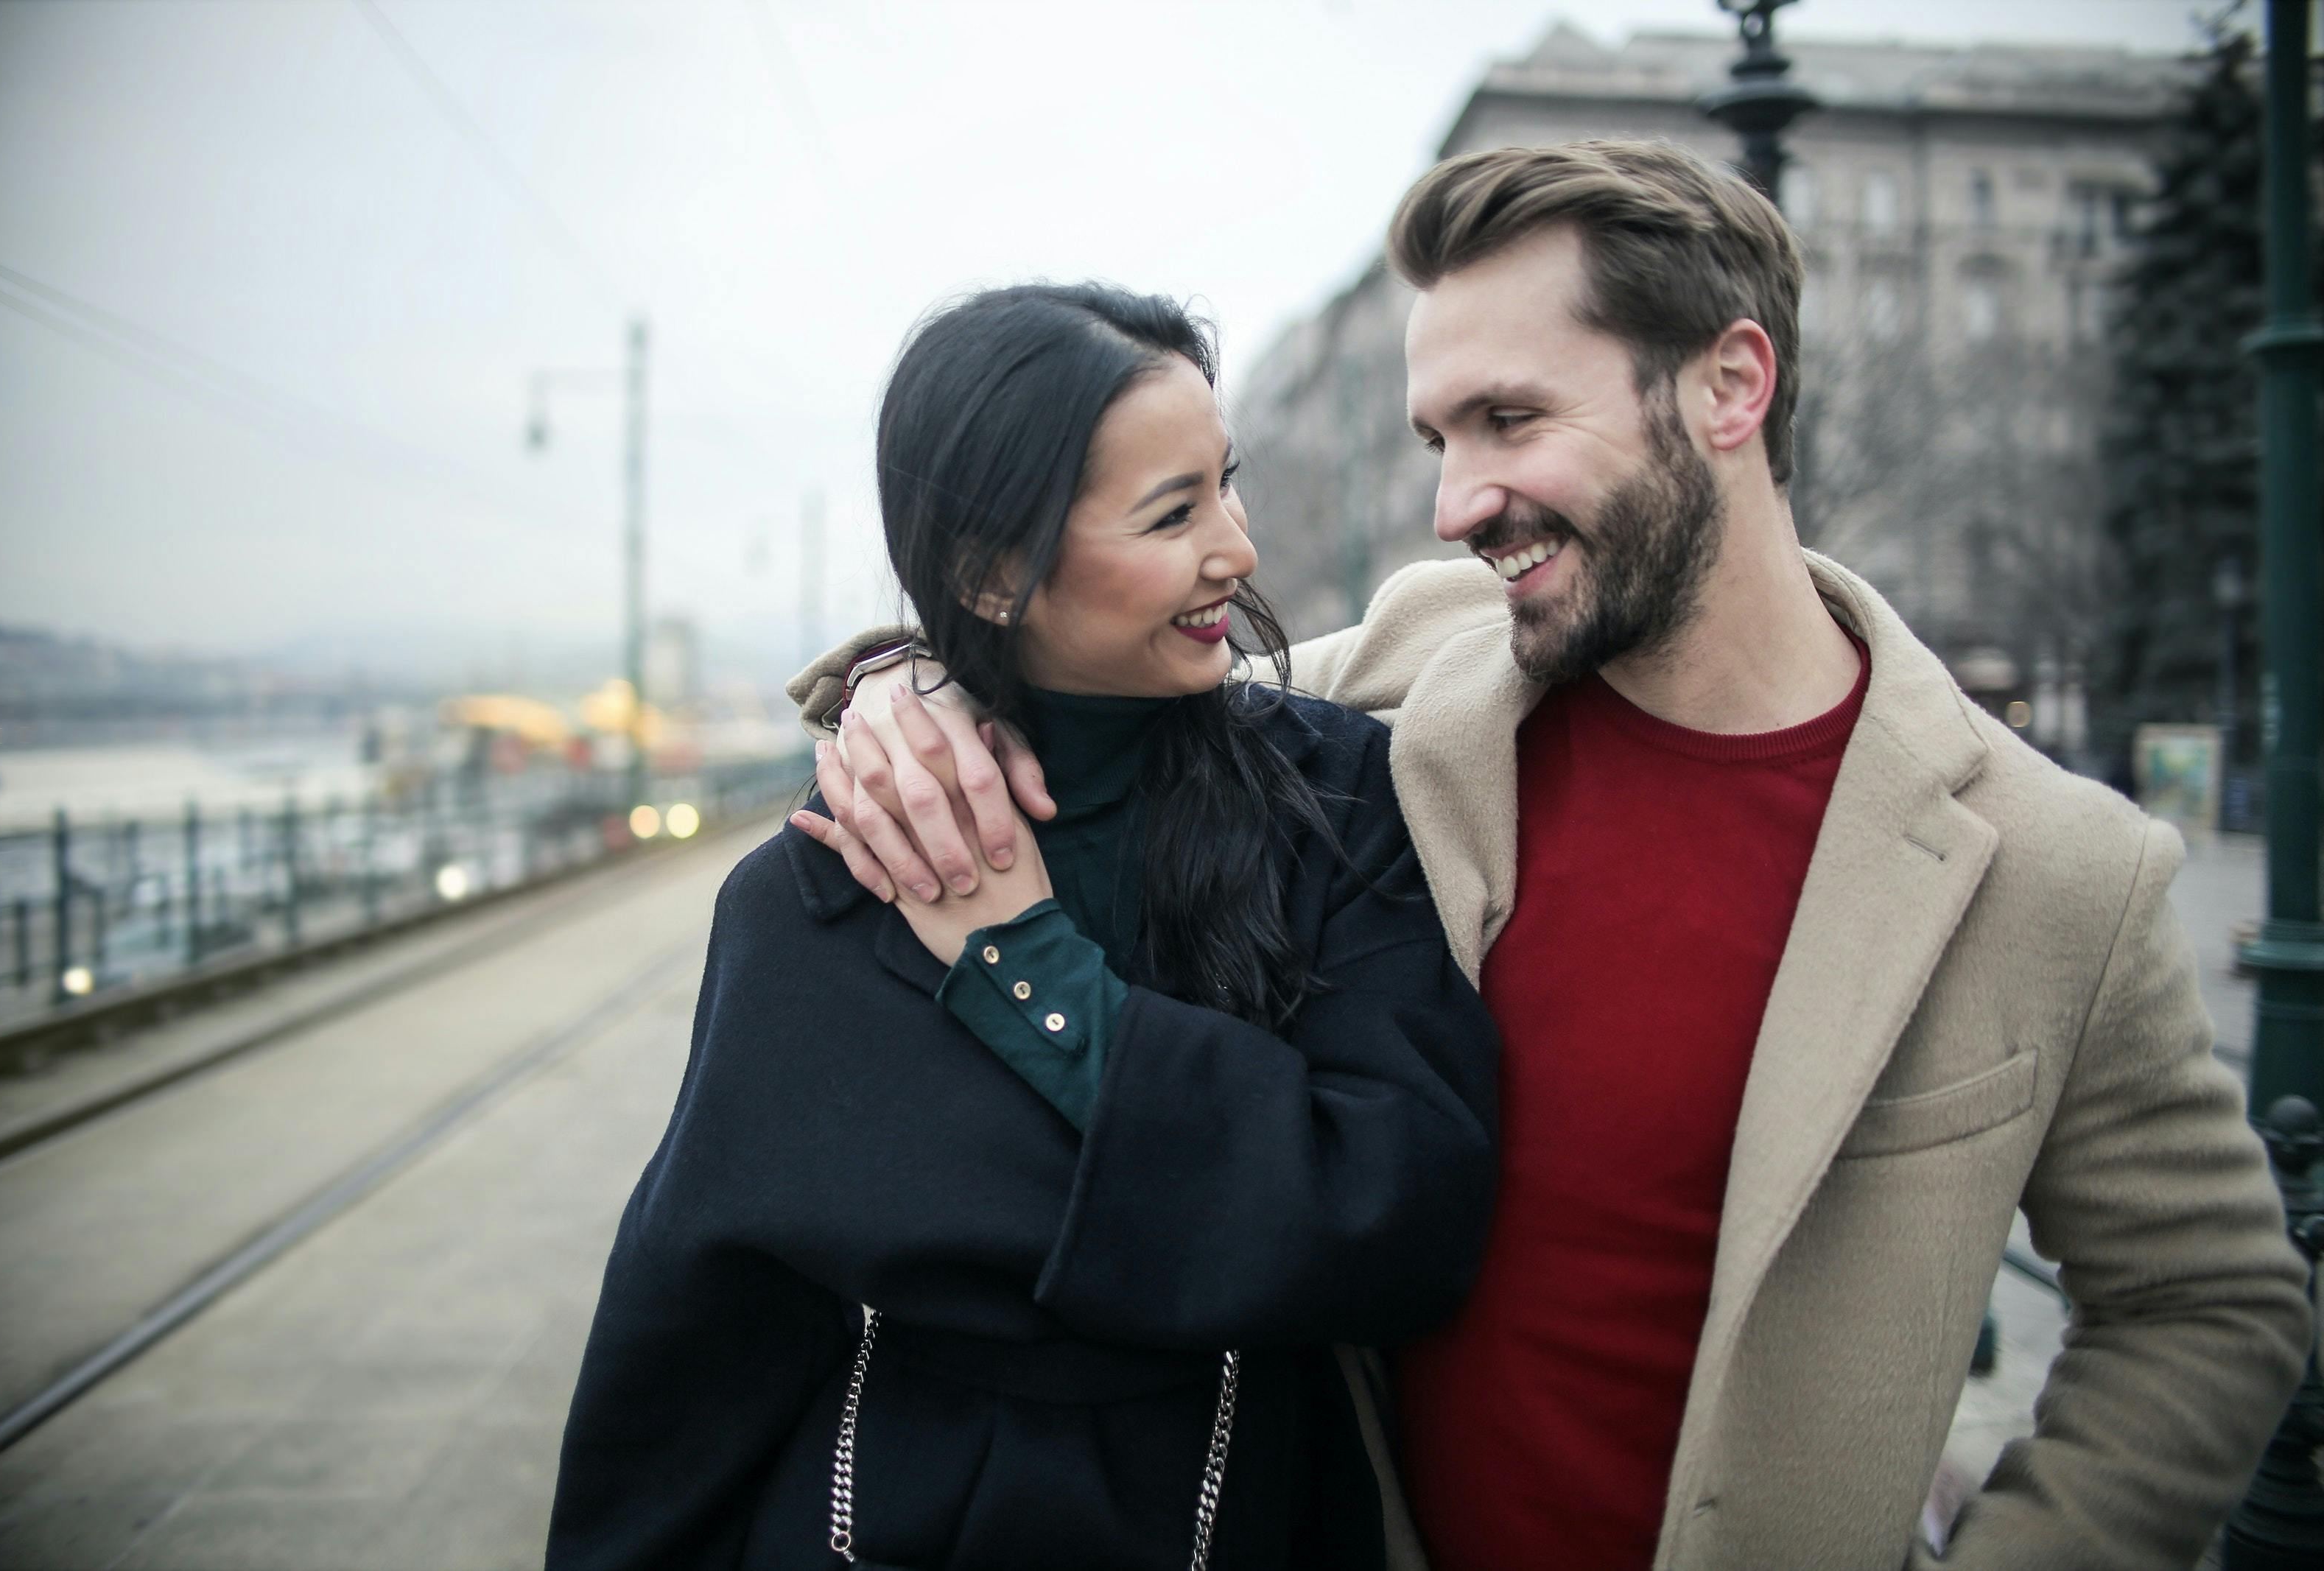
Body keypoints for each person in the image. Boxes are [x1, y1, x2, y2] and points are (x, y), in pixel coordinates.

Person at [790, 142, 2313, 1570]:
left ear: (1728, 384)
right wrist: (902, 687)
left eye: (1510, 421)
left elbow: (2210, 1298)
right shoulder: (1404, 674)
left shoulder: (2054, 865)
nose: (1457, 504)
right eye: (1439, 437)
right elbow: (1095, 663)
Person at [545, 282, 1500, 1571]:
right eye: (1174, 513)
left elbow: (1404, 1211)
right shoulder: (818, 886)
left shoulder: (1325, 802)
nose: (1240, 547)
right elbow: (695, 1329)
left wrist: (1034, 974)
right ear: (995, 572)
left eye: (1228, 483)